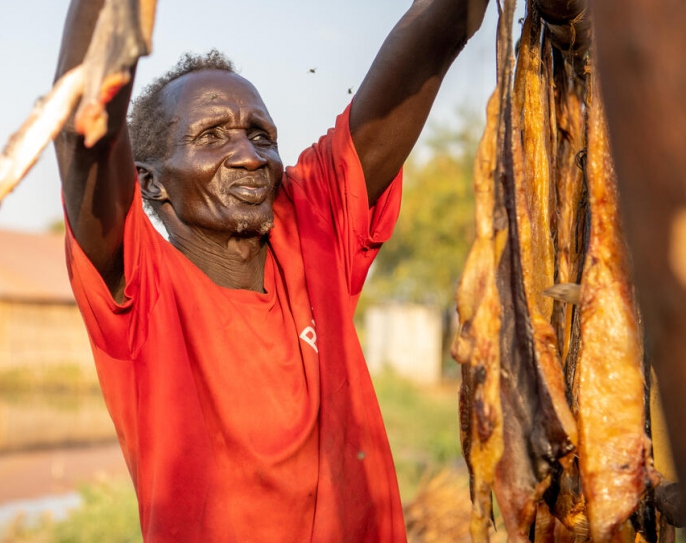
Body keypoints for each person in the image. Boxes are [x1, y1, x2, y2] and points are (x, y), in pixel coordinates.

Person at [54, 1, 488, 541]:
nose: (250, 156)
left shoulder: (314, 230)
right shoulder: (139, 288)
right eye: (211, 136)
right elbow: (82, 133)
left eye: (262, 135)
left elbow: (435, 35)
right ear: (151, 183)